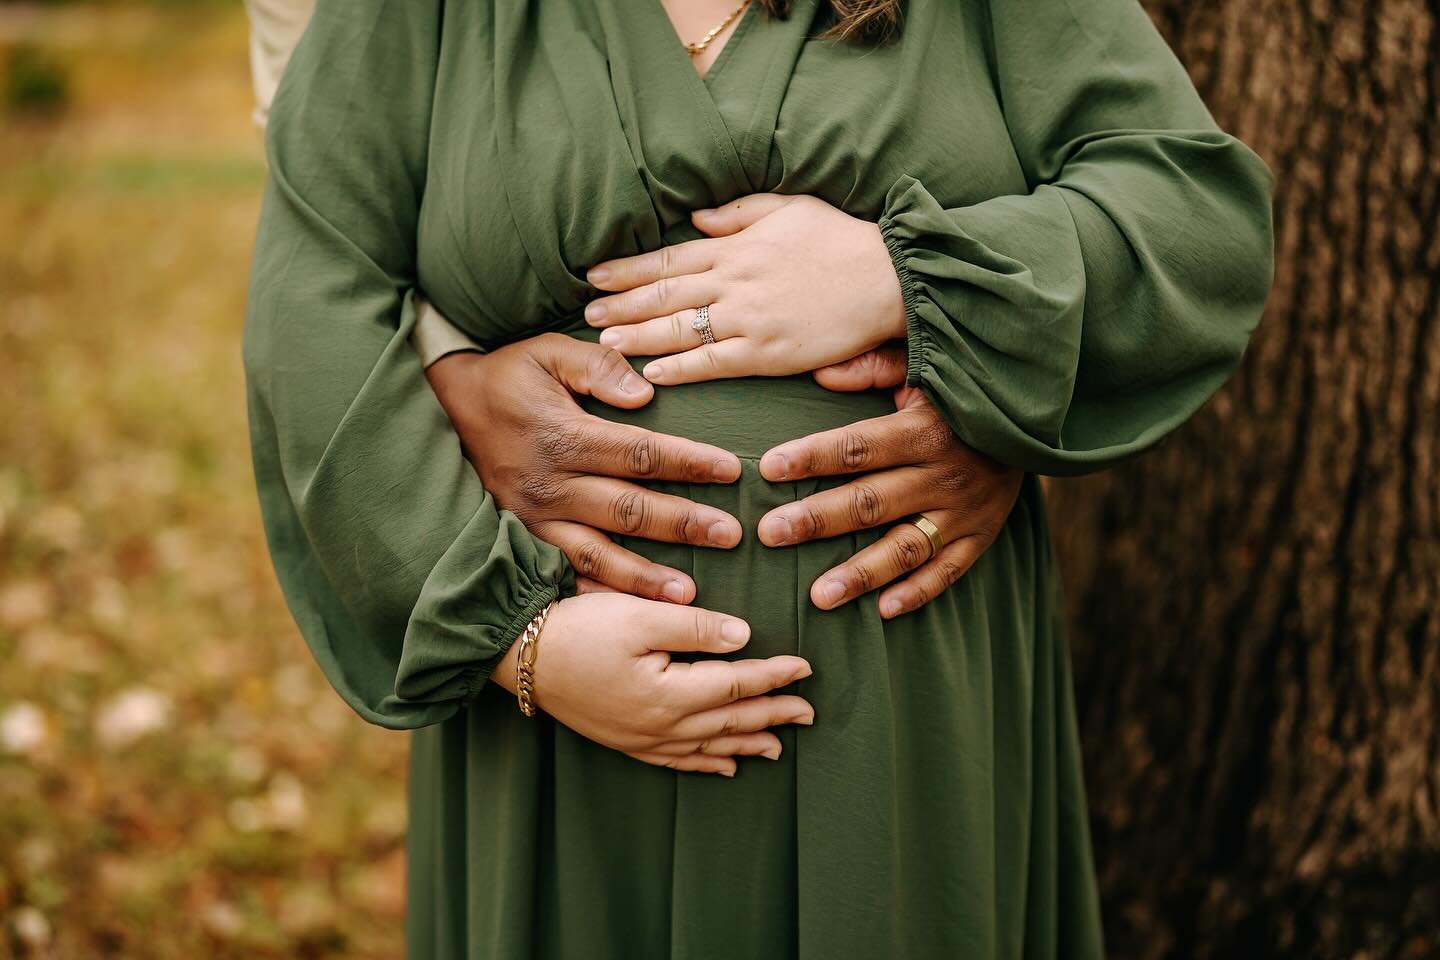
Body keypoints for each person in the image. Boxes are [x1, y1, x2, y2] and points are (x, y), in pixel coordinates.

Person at [241, 0, 1274, 956]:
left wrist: (906, 280)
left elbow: (1194, 220)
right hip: (562, 721)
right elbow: (316, 287)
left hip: (903, 718)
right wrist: (518, 637)